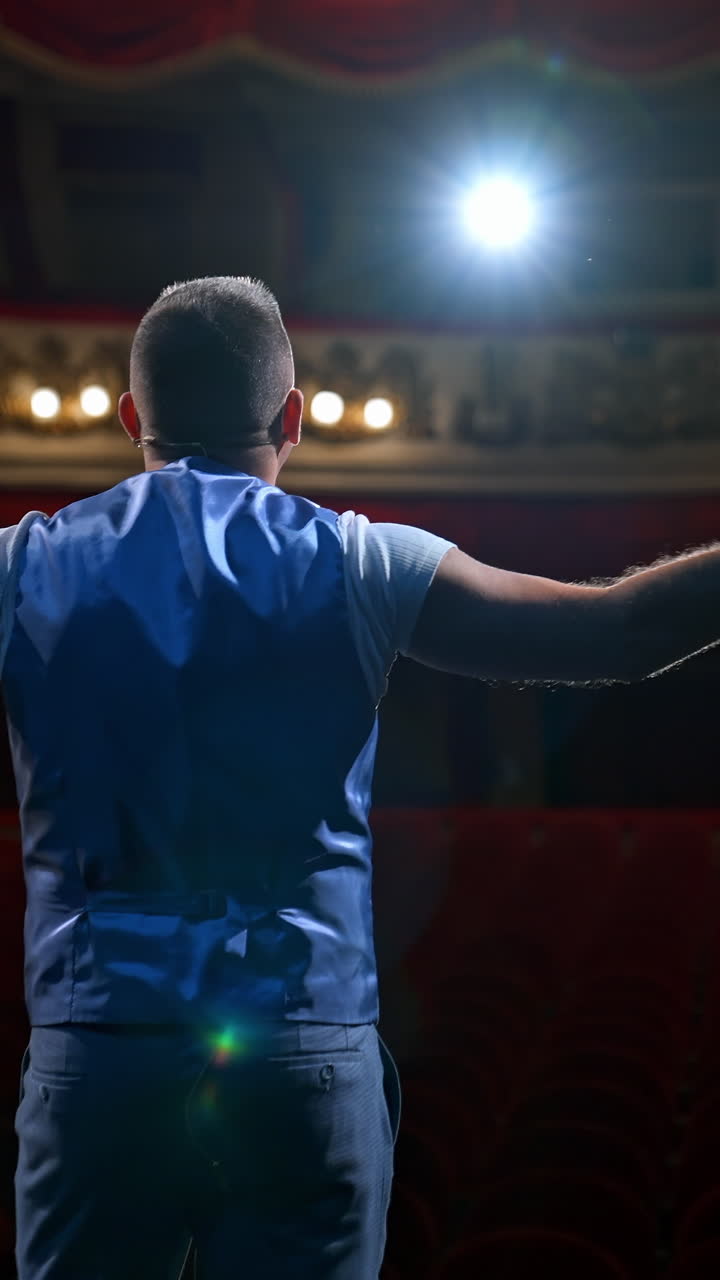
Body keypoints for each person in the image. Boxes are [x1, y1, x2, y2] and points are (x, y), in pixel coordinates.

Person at [2, 276, 720, 1280]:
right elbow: (624, 632)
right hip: (302, 1047)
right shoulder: (360, 561)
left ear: (133, 418)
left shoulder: (18, 567)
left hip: (99, 1054)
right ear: (291, 416)